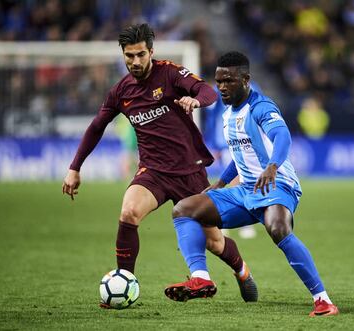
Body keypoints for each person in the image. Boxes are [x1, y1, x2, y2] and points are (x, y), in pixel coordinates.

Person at [62, 24, 258, 305]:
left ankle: (242, 271)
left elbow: (208, 91)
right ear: (123, 55)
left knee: (215, 243)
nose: (135, 61)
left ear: (151, 52)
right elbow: (96, 126)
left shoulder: (170, 73)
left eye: (141, 54)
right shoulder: (121, 91)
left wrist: (195, 100)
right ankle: (125, 283)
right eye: (129, 56)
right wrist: (74, 167)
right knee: (129, 212)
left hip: (189, 172)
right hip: (153, 173)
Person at [164, 51, 339, 317]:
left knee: (278, 228)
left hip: (278, 184)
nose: (222, 87)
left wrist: (272, 167)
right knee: (184, 209)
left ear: (246, 79)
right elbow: (240, 155)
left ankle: (323, 300)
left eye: (229, 81)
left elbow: (282, 136)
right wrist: (221, 182)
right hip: (246, 190)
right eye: (219, 81)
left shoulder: (261, 107)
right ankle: (201, 278)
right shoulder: (226, 114)